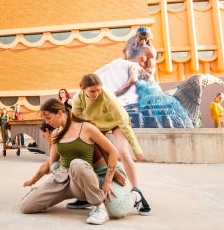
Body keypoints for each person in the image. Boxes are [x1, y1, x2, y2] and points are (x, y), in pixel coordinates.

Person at [19, 98, 119, 225]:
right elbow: (50, 163)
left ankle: (99, 207)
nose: (47, 122)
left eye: (49, 117)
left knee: (76, 163)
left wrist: (107, 182)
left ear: (60, 113)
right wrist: (34, 181)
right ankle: (43, 195)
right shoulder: (55, 133)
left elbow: (113, 152)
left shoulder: (86, 128)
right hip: (61, 179)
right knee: (25, 207)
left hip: (80, 180)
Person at [72, 73, 151, 215]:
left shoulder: (107, 96)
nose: (96, 93)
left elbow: (123, 122)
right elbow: (75, 121)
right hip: (97, 125)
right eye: (92, 91)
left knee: (123, 152)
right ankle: (86, 196)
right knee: (87, 154)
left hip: (117, 123)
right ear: (82, 88)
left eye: (98, 90)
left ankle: (137, 191)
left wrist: (136, 148)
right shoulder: (78, 99)